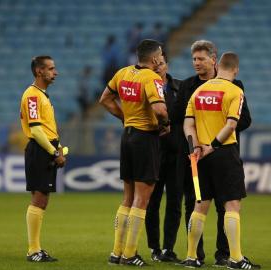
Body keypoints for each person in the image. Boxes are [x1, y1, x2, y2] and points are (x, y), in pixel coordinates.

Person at [171, 40, 252, 267]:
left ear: (218, 65)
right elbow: (231, 125)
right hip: (223, 153)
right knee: (232, 205)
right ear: (235, 69)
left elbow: (188, 124)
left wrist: (195, 147)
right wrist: (214, 145)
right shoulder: (235, 90)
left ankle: (191, 257)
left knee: (199, 206)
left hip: (200, 156)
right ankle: (235, 258)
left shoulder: (198, 91)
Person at [99, 39, 170, 267]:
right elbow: (160, 109)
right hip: (145, 138)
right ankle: (130, 254)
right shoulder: (152, 78)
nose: (161, 58)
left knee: (127, 198)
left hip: (127, 136)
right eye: (160, 55)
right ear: (154, 58)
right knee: (142, 199)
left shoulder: (123, 73)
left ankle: (116, 252)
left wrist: (124, 117)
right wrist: (166, 124)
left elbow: (105, 99)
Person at [20, 55, 67, 262]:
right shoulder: (32, 95)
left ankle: (36, 248)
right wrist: (53, 151)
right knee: (39, 198)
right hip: (41, 149)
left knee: (42, 198)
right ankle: (33, 250)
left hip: (45, 148)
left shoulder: (41, 95)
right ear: (39, 71)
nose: (55, 73)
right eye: (50, 69)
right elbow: (36, 130)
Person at [145, 52, 182, 263]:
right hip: (154, 153)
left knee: (175, 202)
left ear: (167, 65)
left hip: (177, 154)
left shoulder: (180, 87)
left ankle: (169, 248)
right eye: (155, 63)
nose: (158, 66)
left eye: (161, 63)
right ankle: (154, 247)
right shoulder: (146, 88)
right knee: (152, 203)